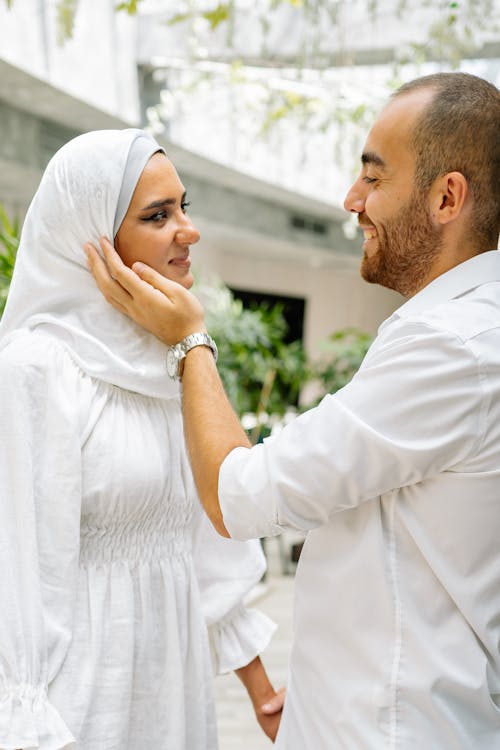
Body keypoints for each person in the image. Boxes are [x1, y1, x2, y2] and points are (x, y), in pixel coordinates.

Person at [86, 71, 500, 749]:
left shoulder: (453, 347)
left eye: (373, 177)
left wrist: (192, 342)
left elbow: (240, 497)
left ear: (446, 197)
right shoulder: (463, 331)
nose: (352, 199)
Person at [0, 128, 284, 750]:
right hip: (82, 701)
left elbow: (206, 539)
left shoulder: (171, 350)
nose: (188, 230)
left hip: (170, 692)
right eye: (158, 215)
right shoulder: (36, 368)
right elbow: (18, 580)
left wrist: (262, 691)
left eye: (185, 206)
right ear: (91, 235)